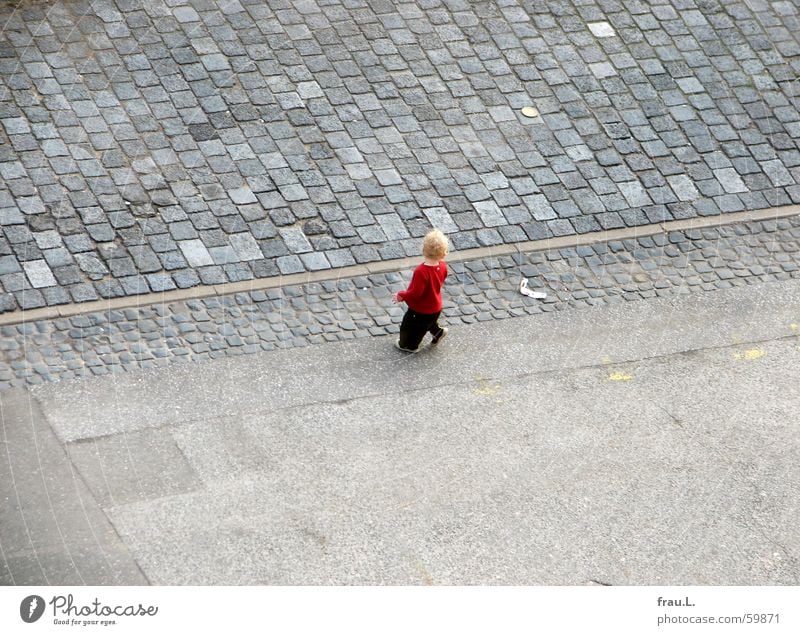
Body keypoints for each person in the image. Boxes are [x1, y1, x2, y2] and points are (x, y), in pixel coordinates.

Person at [392, 229, 449, 352]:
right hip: (436, 306)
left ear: (423, 250)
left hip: (420, 310)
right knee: (428, 323)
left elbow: (416, 293)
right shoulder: (443, 266)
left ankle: (409, 346)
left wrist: (401, 295)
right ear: (443, 254)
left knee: (410, 328)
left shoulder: (421, 271)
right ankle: (438, 333)